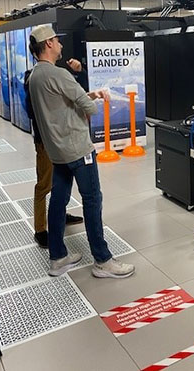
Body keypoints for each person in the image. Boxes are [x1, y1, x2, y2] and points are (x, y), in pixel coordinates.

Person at [27, 25, 134, 278]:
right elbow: (89, 108)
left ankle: (58, 257)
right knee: (92, 199)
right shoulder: (60, 74)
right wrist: (89, 92)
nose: (61, 45)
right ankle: (102, 260)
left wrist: (88, 94)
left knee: (58, 200)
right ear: (48, 44)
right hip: (77, 149)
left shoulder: (35, 76)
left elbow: (60, 105)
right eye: (57, 40)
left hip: (57, 151)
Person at [24, 57, 85, 248]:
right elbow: (33, 111)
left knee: (62, 182)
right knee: (44, 184)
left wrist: (77, 73)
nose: (60, 45)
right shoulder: (33, 78)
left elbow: (77, 97)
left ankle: (60, 214)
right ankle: (40, 229)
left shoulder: (58, 75)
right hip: (46, 142)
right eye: (57, 42)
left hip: (63, 140)